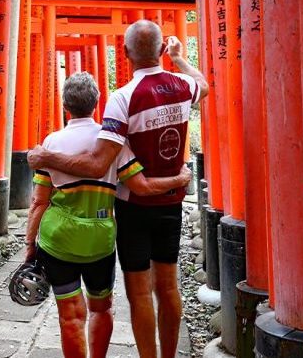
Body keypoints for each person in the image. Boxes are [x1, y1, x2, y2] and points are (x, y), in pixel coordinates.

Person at [28, 20, 209, 358]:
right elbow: (204, 85)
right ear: (159, 50)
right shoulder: (184, 85)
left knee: (140, 292)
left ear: (125, 53)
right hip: (170, 203)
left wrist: (46, 156)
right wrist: (179, 58)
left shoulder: (123, 98)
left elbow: (98, 164)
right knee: (169, 288)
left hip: (134, 205)